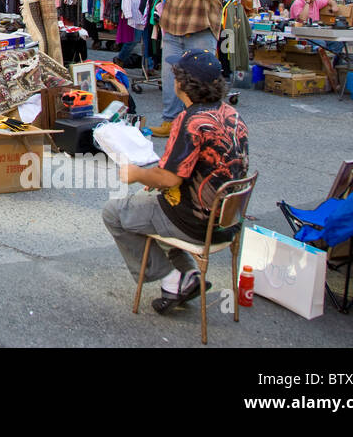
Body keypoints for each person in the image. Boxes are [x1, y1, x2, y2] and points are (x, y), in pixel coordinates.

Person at [101, 49, 249, 314]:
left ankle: (172, 281)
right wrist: (154, 179)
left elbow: (169, 178)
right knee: (147, 204)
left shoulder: (191, 121)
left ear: (183, 84)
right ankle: (189, 275)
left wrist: (137, 174)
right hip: (228, 222)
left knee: (114, 212)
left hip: (195, 221)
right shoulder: (231, 115)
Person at [105, 0, 224, 137]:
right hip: (173, 31)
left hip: (200, 31)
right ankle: (170, 122)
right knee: (170, 79)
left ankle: (202, 125)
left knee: (200, 79)